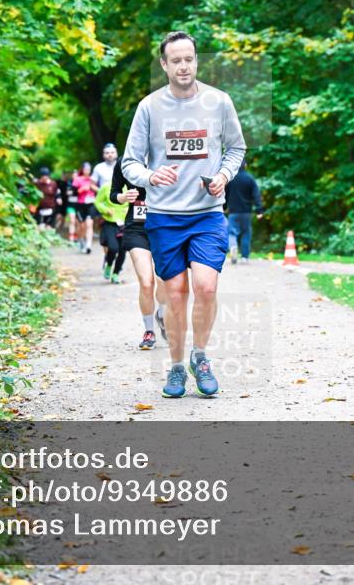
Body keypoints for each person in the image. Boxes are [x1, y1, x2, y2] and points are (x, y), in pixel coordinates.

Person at [121, 31, 246, 398]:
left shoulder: (219, 102)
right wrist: (149, 176)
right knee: (175, 294)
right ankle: (176, 367)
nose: (183, 66)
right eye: (175, 60)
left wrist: (223, 176)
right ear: (164, 65)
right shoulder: (149, 107)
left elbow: (235, 149)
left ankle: (201, 356)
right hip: (163, 215)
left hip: (207, 213)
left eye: (188, 59)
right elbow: (130, 162)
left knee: (206, 286)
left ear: (196, 60)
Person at [111, 161, 169, 351]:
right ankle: (149, 331)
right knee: (146, 281)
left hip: (164, 225)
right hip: (136, 228)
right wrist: (123, 196)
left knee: (164, 280)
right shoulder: (124, 162)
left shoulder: (163, 156)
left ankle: (161, 314)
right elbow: (114, 194)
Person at [224, 160, 264, 264]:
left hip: (233, 212)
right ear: (245, 165)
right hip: (246, 212)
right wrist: (259, 210)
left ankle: (233, 246)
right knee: (246, 233)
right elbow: (256, 195)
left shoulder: (230, 179)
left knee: (232, 233)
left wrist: (224, 207)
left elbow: (225, 194)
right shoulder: (249, 178)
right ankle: (245, 257)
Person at [94, 180, 128, 283]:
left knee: (123, 250)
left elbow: (135, 202)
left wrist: (129, 210)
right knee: (113, 248)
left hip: (124, 222)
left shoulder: (130, 187)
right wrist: (105, 210)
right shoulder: (106, 186)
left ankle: (116, 274)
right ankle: (108, 265)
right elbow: (98, 202)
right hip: (110, 221)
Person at [73, 162, 96, 254]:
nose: (87, 171)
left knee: (89, 224)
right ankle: (81, 240)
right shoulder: (77, 180)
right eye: (86, 169)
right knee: (82, 226)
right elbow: (73, 193)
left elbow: (99, 190)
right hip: (80, 204)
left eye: (89, 169)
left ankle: (88, 245)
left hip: (91, 203)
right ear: (82, 169)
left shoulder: (93, 179)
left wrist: (92, 187)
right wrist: (82, 189)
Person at [62, 169, 80, 244]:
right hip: (70, 205)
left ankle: (76, 236)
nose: (74, 176)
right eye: (73, 174)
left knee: (77, 222)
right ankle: (71, 237)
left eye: (76, 175)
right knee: (72, 220)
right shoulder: (69, 183)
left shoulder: (80, 182)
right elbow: (67, 193)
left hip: (79, 205)